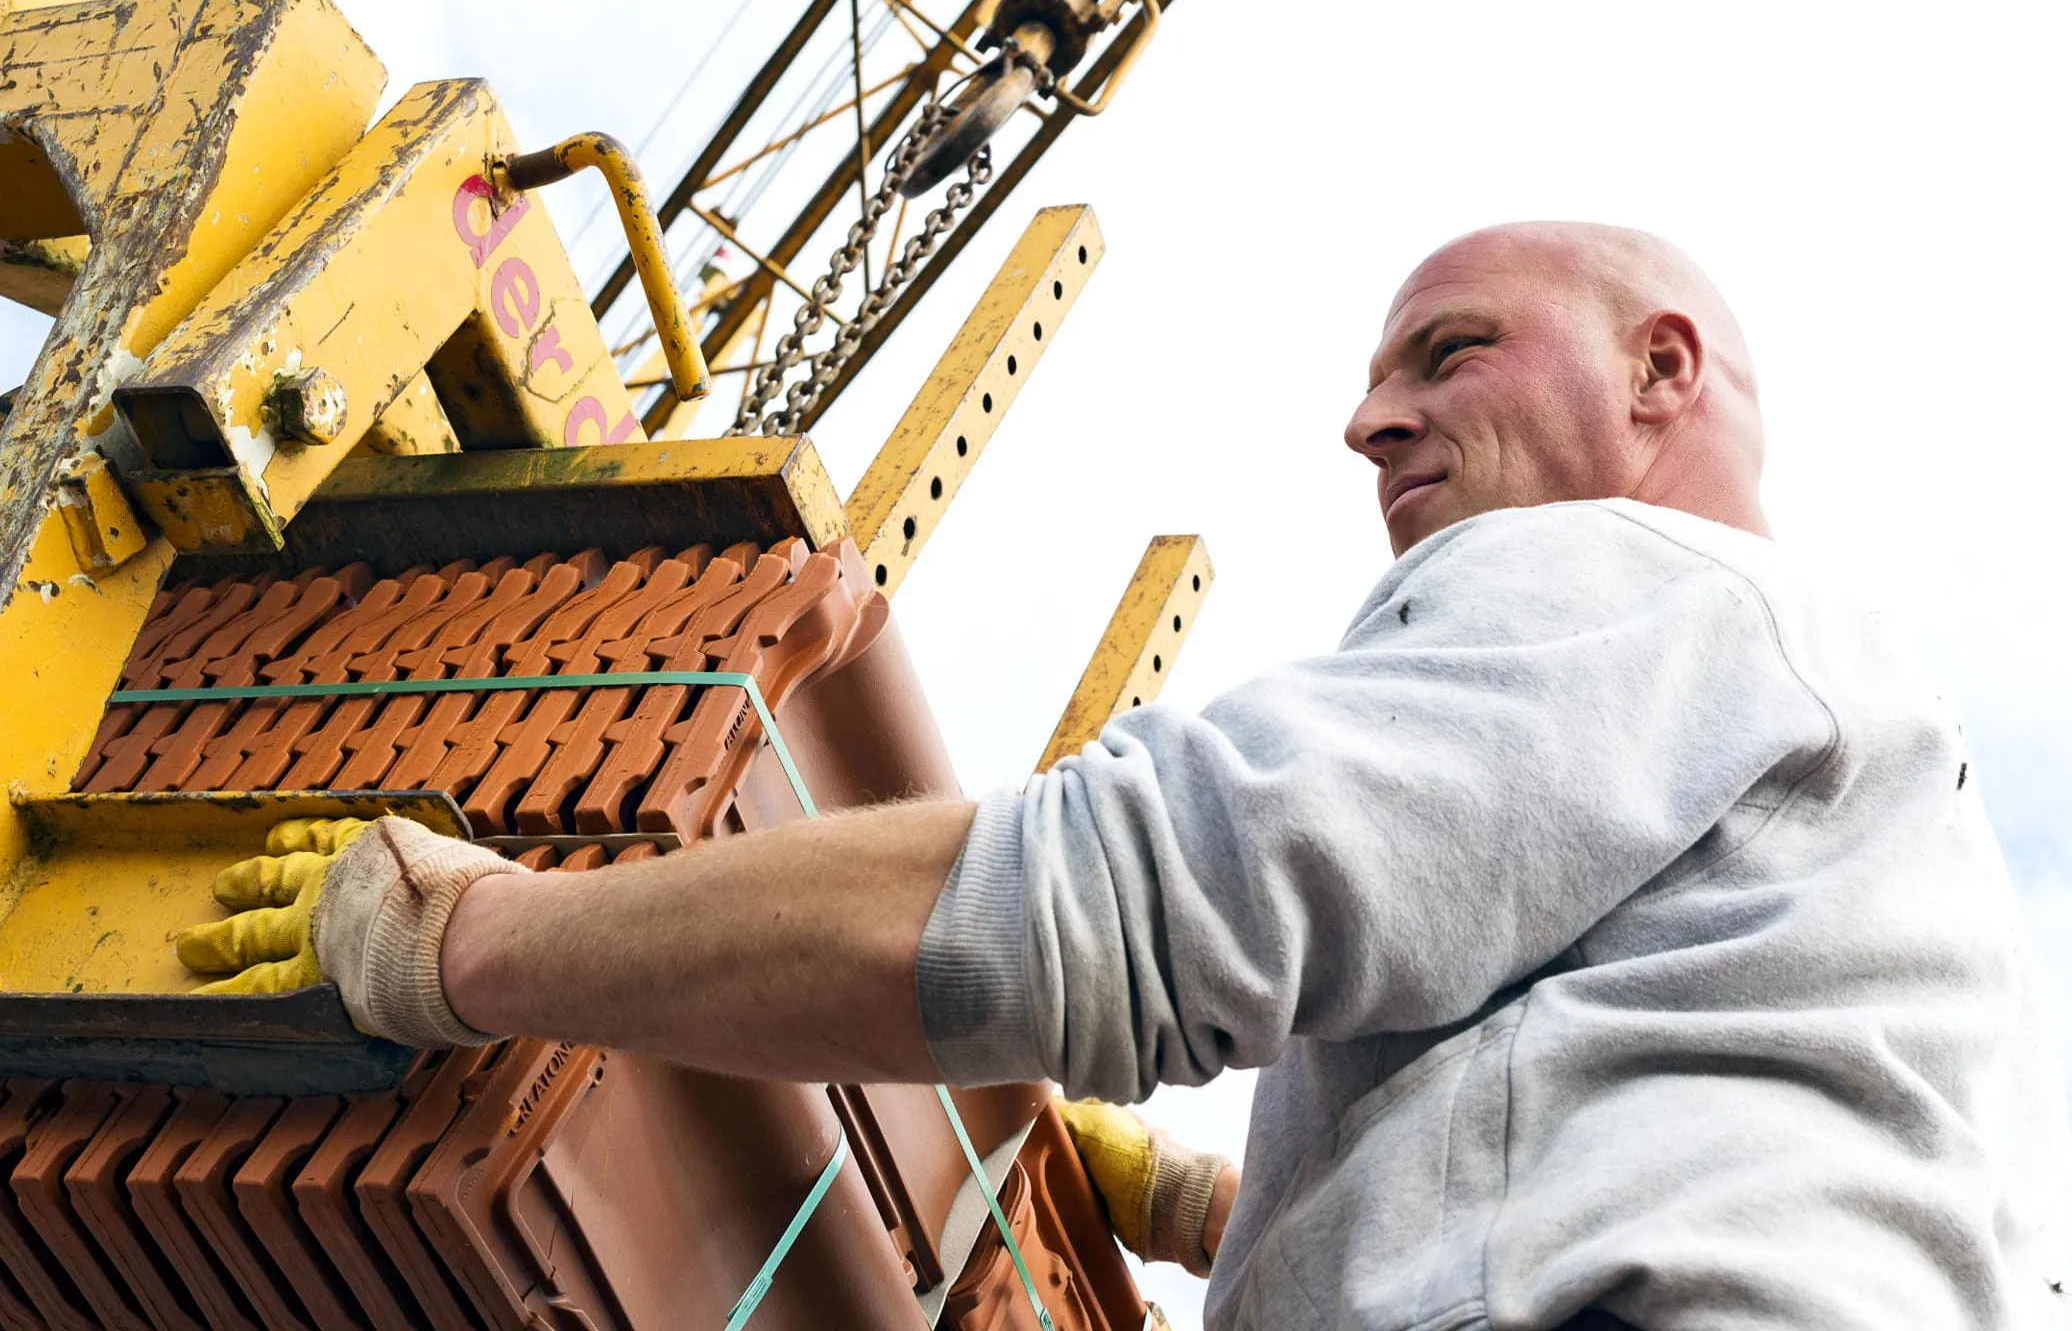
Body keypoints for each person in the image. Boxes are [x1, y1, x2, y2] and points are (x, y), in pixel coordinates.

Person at [180, 223, 2072, 1329]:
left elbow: (1109, 911)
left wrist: (466, 939)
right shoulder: (1872, 799)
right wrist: (1183, 1207)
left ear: (1663, 372)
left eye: (1451, 347)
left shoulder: (1636, 581)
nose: (1367, 417)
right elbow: (1616, 1128)